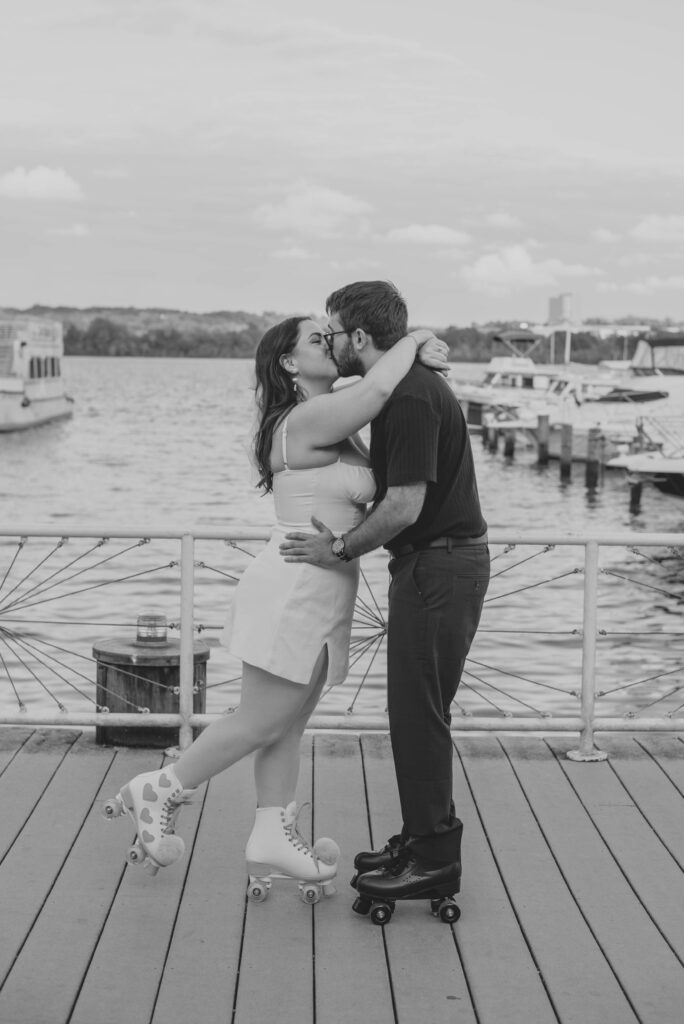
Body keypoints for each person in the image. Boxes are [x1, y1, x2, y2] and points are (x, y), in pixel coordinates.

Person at [103, 312, 448, 900]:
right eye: (317, 339)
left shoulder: (330, 420)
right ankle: (161, 787)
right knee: (262, 719)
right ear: (290, 364)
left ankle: (272, 835)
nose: (330, 342)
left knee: (287, 725)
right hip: (294, 589)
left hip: (320, 587)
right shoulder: (305, 418)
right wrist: (414, 339)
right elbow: (380, 388)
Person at [280, 281, 490, 909]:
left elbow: (403, 504)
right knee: (418, 713)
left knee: (418, 716)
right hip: (437, 568)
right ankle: (424, 840)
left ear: (361, 338)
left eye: (335, 331)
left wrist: (340, 549)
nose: (331, 340)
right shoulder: (405, 392)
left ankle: (431, 859)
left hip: (438, 568)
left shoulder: (408, 399)